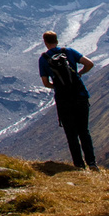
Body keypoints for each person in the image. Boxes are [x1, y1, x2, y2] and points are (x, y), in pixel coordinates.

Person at [40, 31, 97, 170]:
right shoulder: (69, 52)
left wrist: (58, 86)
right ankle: (92, 163)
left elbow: (46, 83)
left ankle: (79, 165)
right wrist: (79, 73)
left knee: (71, 133)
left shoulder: (44, 59)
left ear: (45, 42)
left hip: (63, 99)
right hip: (80, 96)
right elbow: (89, 64)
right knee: (84, 131)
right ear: (57, 41)